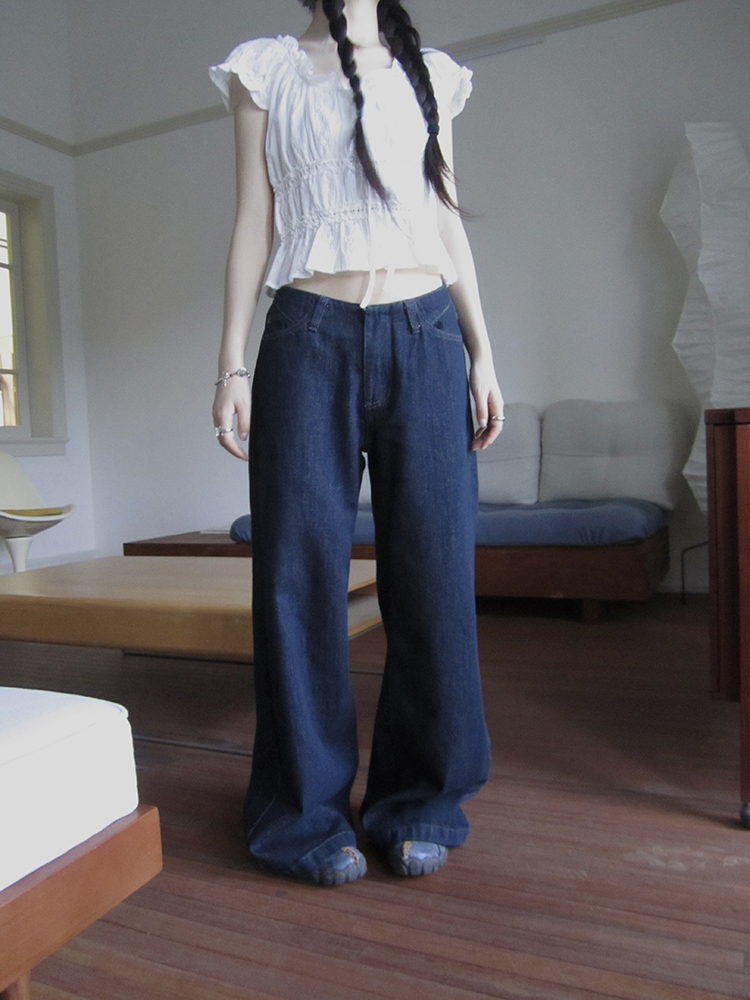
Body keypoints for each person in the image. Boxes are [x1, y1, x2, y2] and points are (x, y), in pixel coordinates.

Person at [209, 0, 504, 886]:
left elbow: (445, 217)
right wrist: (231, 364)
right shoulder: (264, 70)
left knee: (435, 576)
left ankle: (420, 802)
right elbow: (252, 218)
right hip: (307, 336)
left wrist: (484, 351)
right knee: (298, 580)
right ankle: (303, 816)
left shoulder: (430, 73)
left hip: (427, 336)